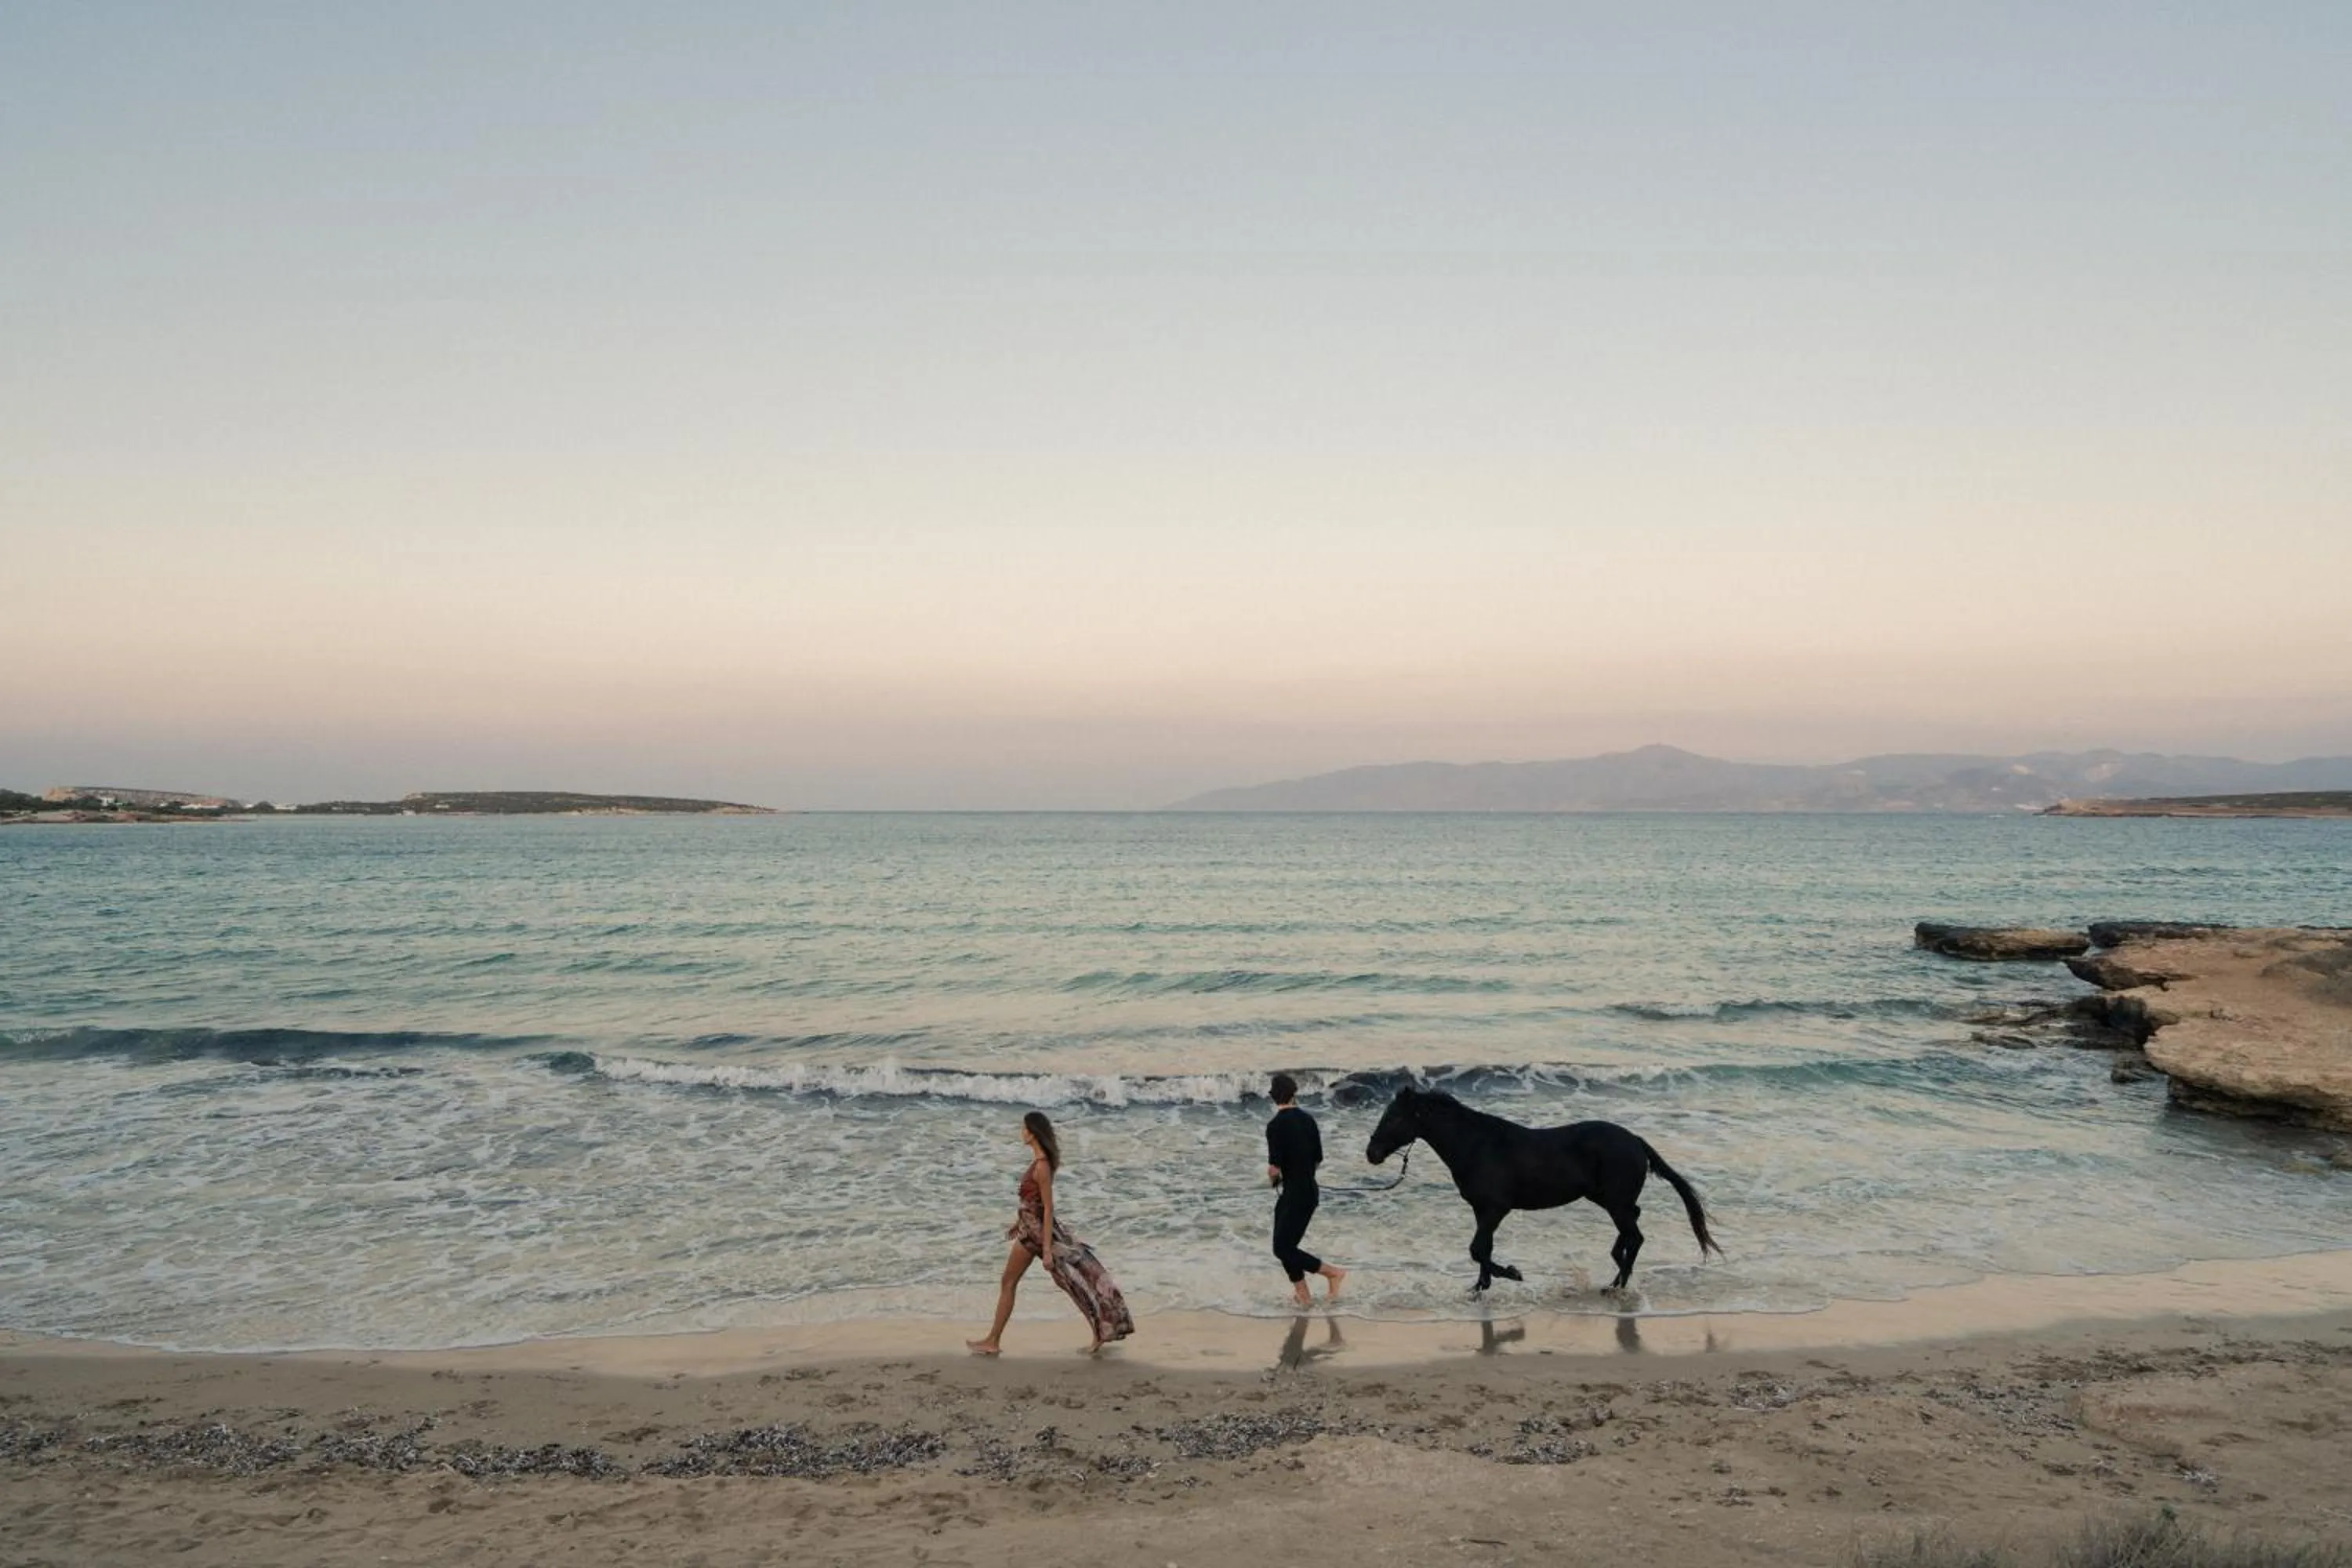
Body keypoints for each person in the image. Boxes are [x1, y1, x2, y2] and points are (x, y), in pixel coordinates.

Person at [967, 1110, 1135, 1355]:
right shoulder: (1038, 1163)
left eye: (1024, 1128)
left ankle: (993, 1341)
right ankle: (1100, 1333)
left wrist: (1046, 1249)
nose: (1021, 1132)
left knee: (1014, 1282)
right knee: (1068, 1282)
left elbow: (1047, 1209)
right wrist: (1018, 1222)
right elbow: (1031, 1202)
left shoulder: (1042, 1166)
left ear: (1033, 1133)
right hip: (1029, 1230)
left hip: (1035, 1235)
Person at [1265, 1073, 1346, 1307]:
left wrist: (1275, 1180)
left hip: (1295, 1193)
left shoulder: (1275, 1126)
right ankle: (1303, 1294)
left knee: (1282, 1247)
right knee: (1284, 1247)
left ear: (1273, 1097)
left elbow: (1273, 1169)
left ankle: (1333, 1273)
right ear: (1293, 1094)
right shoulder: (1309, 1120)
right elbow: (1317, 1160)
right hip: (1309, 1191)